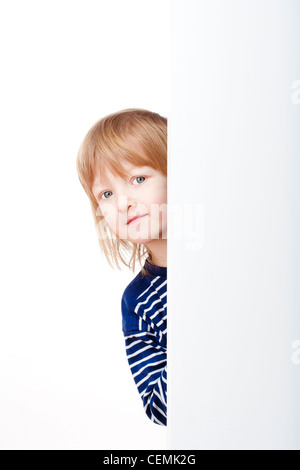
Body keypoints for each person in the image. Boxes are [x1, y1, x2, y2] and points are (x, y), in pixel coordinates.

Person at [76, 108, 167, 426]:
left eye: (139, 179)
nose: (123, 202)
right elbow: (159, 409)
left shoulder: (232, 256)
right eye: (107, 193)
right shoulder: (138, 301)